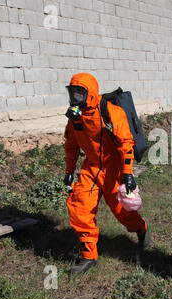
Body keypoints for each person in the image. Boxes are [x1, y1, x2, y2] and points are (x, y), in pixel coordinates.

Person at [63, 73, 150, 275]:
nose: (75, 98)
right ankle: (88, 255)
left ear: (90, 94)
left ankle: (141, 228)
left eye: (79, 93)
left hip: (113, 168)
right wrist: (69, 170)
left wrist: (127, 174)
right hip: (90, 168)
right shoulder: (75, 118)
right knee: (80, 209)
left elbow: (126, 143)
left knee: (122, 212)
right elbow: (71, 145)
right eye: (72, 93)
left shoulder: (111, 112)